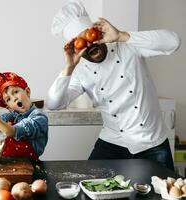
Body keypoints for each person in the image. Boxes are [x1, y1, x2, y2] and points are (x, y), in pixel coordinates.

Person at [47, 0, 180, 170]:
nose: (90, 45)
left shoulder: (127, 46)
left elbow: (174, 41)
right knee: (89, 185)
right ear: (75, 48)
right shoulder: (81, 71)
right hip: (113, 140)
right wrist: (69, 67)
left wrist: (122, 35)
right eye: (81, 43)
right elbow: (54, 104)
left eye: (89, 37)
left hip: (151, 142)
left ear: (95, 32)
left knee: (161, 194)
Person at [0, 72, 48, 160]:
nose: (14, 98)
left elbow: (10, 132)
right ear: (8, 107)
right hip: (10, 161)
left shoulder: (39, 117)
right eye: (8, 99)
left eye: (16, 92)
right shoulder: (13, 115)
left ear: (27, 92)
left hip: (30, 162)